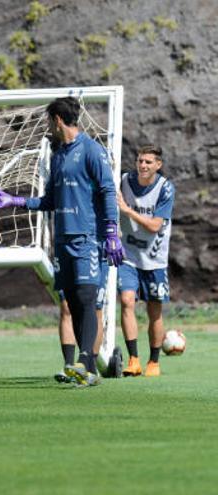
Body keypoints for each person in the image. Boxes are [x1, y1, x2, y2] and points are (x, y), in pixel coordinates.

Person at [0, 97, 123, 387]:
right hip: (62, 240)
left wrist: (111, 232)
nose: (49, 126)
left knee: (87, 298)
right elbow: (50, 200)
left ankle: (86, 364)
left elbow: (108, 191)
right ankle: (85, 367)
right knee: (73, 303)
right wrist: (15, 201)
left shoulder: (91, 150)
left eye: (50, 121)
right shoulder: (58, 154)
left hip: (87, 238)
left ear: (58, 120)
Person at [117, 145, 174, 377]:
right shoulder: (123, 180)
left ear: (158, 165)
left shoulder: (165, 188)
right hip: (127, 255)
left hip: (154, 258)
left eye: (148, 162)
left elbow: (154, 226)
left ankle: (154, 361)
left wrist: (127, 211)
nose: (143, 165)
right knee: (127, 300)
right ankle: (133, 360)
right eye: (140, 161)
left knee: (154, 311)